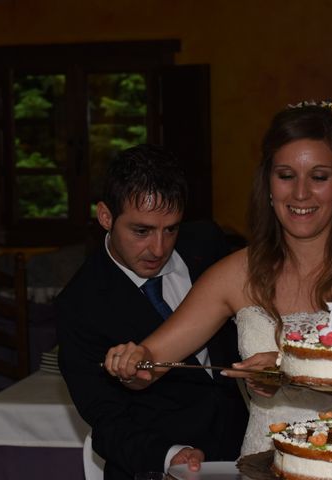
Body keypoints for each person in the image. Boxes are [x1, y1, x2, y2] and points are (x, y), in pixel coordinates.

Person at [104, 102, 332, 456]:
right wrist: (131, 362)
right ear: (268, 183)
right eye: (285, 175)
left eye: (319, 177)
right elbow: (152, 360)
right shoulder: (233, 273)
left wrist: (287, 368)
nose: (300, 193)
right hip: (268, 461)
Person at [56, 144, 248, 480]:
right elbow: (107, 420)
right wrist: (170, 455)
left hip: (244, 452)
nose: (159, 248)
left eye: (171, 229)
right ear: (105, 217)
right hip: (152, 468)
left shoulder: (207, 243)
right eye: (141, 231)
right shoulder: (79, 304)